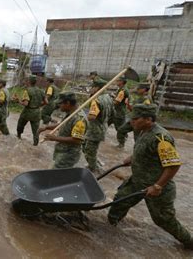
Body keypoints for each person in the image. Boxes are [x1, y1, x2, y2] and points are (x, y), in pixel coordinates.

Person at [107, 104, 193, 250]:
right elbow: (147, 151)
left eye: (135, 119)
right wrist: (133, 157)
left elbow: (173, 165)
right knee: (119, 201)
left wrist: (158, 186)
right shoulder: (143, 131)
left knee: (163, 220)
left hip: (157, 186)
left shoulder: (161, 139)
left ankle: (189, 242)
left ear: (148, 119)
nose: (131, 122)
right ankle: (109, 232)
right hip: (138, 181)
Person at [38, 92, 87, 168]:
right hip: (62, 151)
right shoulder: (71, 112)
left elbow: (77, 139)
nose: (59, 106)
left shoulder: (79, 119)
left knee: (56, 174)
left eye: (60, 103)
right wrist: (46, 127)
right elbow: (62, 125)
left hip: (68, 154)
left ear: (67, 103)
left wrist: (54, 138)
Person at [83, 79, 112, 172]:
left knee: (89, 150)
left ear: (97, 88)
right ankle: (96, 162)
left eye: (92, 87)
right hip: (103, 126)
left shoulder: (97, 100)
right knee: (90, 147)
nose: (90, 89)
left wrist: (83, 119)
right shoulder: (107, 97)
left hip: (94, 129)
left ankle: (93, 169)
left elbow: (92, 116)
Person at [13, 75, 45, 146]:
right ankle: (35, 143)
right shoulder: (41, 91)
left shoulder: (27, 91)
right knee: (36, 129)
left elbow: (25, 104)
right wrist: (38, 106)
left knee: (20, 124)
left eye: (27, 80)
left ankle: (19, 136)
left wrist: (18, 101)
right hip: (37, 112)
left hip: (27, 112)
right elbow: (46, 101)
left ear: (29, 81)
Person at [112, 77, 130, 148]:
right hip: (118, 111)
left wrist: (109, 101)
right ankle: (124, 136)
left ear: (122, 82)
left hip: (119, 112)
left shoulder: (122, 91)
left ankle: (121, 143)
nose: (116, 82)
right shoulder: (121, 89)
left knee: (119, 128)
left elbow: (116, 102)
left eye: (118, 81)